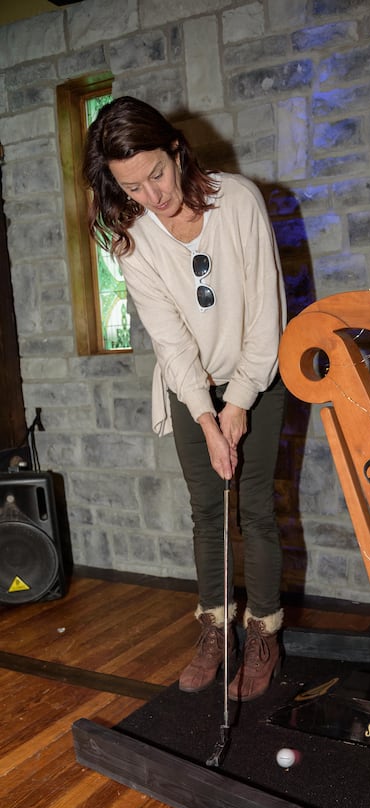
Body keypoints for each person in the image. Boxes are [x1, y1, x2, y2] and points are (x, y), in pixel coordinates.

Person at [82, 96, 287, 702]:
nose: (152, 195)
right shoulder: (133, 242)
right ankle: (217, 630)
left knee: (254, 508)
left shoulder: (239, 202)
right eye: (132, 187)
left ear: (175, 151)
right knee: (208, 511)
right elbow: (171, 343)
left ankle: (264, 632)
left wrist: (239, 402)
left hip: (260, 373)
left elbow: (265, 317)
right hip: (189, 383)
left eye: (157, 174)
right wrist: (205, 414)